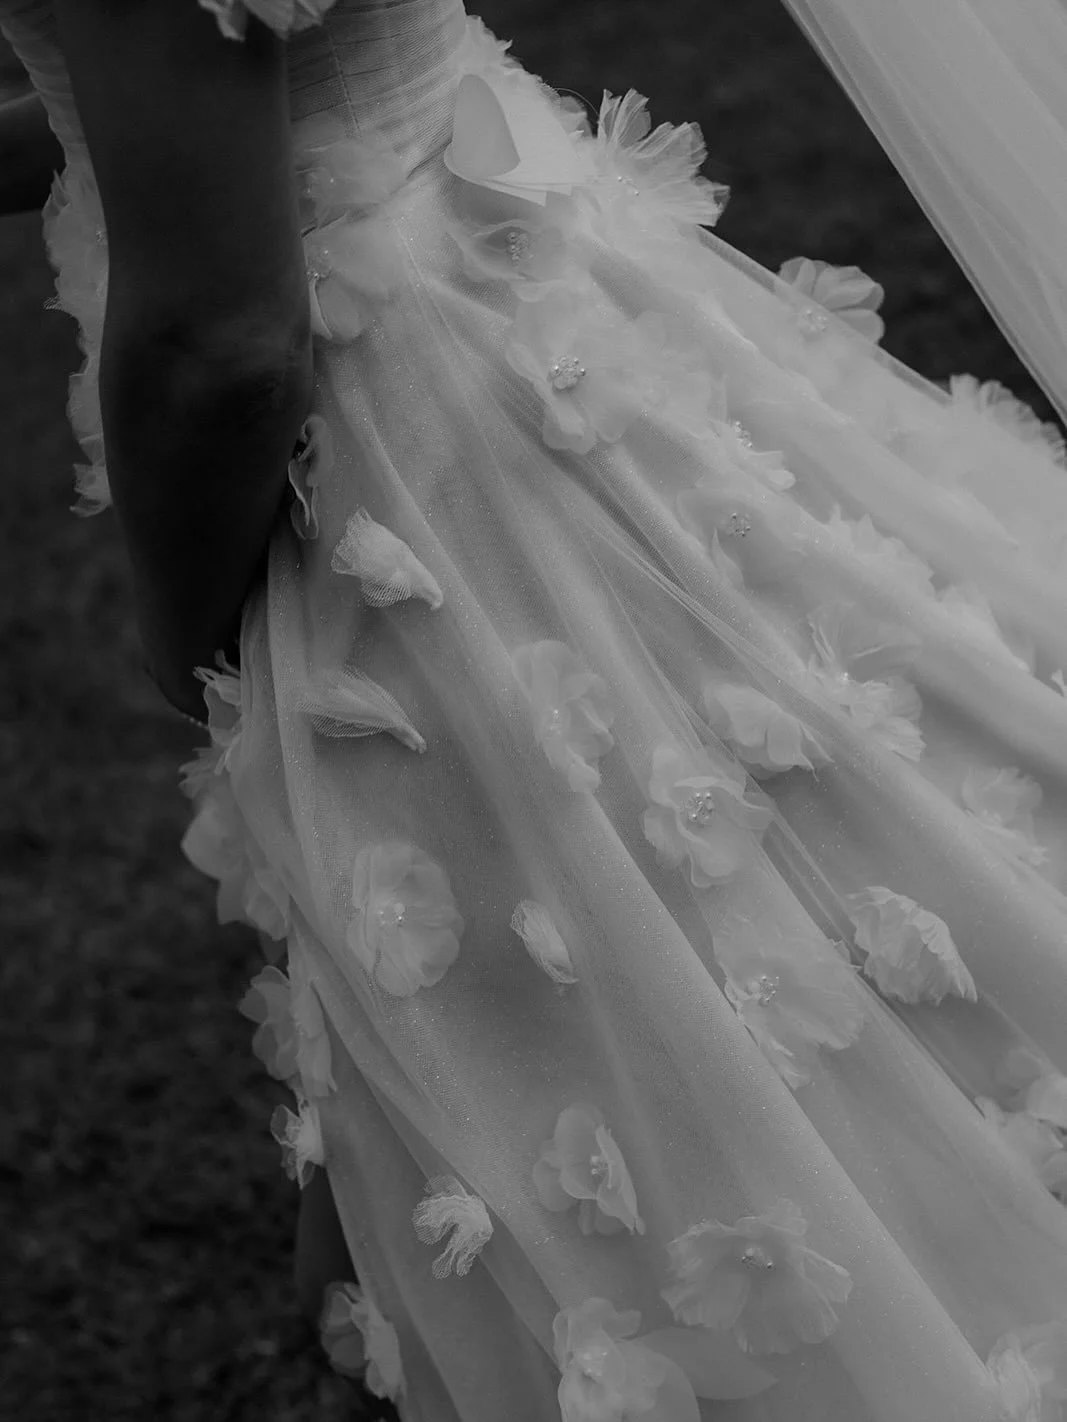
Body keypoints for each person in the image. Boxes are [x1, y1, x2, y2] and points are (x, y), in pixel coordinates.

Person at [3, 2, 1067, 1419]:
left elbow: (221, 343)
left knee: (608, 972)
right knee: (802, 812)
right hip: (520, 267)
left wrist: (177, 631)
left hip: (400, 434)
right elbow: (253, 81)